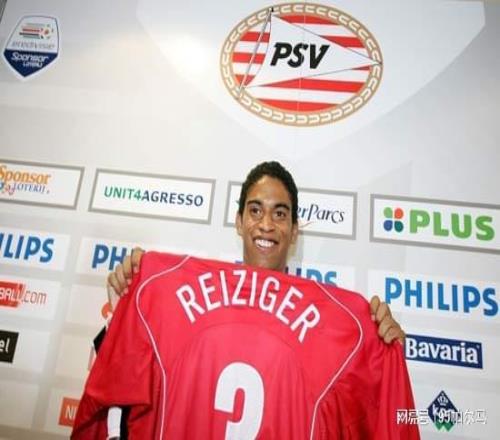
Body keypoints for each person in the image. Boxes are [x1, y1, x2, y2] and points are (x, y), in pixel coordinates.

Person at [105, 161, 404, 344]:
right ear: (239, 222)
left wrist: (383, 354)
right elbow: (134, 375)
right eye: (255, 211)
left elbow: (373, 412)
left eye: (279, 214)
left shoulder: (324, 323)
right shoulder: (196, 301)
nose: (266, 225)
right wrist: (129, 306)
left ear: (294, 231)